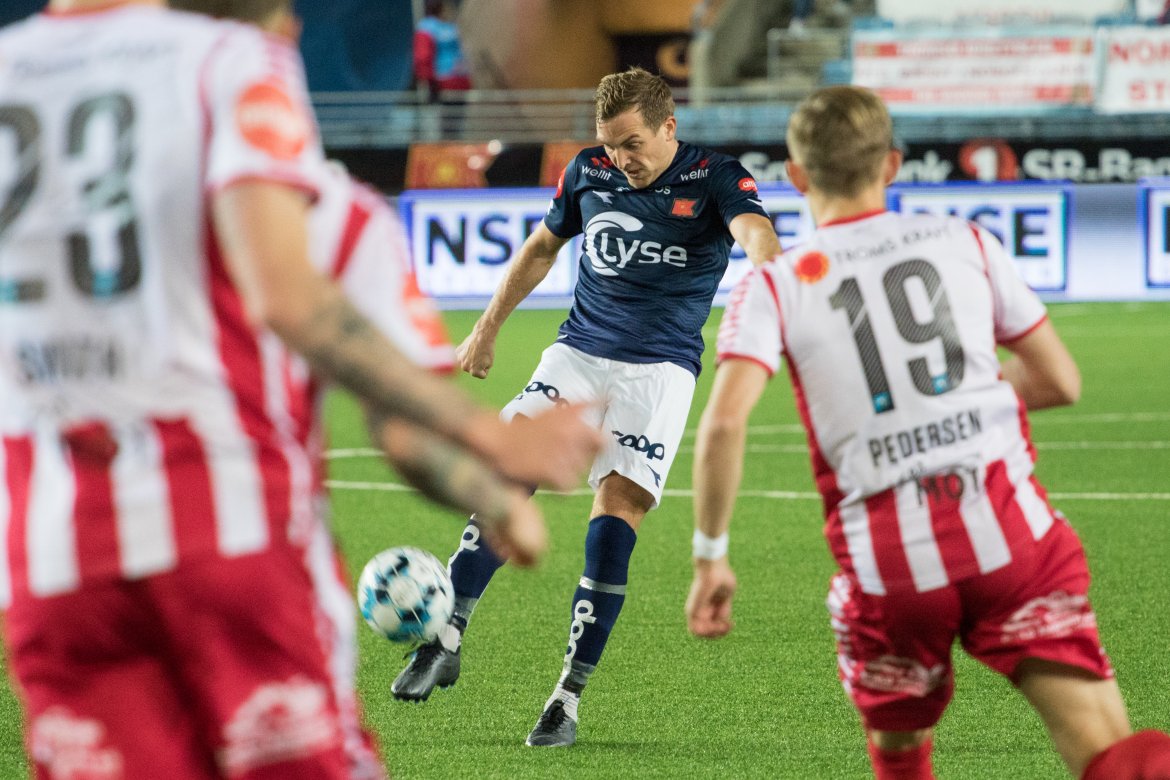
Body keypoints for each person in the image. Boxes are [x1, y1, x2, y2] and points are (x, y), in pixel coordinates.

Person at [0, 2, 600, 778]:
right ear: (285, 32)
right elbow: (323, 339)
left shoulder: (15, 68)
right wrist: (495, 468)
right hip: (227, 548)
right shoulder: (287, 142)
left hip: (53, 562)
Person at [685, 85, 1170, 779]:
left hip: (890, 569)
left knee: (901, 752)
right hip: (1013, 542)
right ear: (892, 165)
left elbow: (725, 422)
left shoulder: (777, 284)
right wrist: (970, 401)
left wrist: (710, 556)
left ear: (796, 175)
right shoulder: (964, 240)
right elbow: (1061, 382)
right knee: (1108, 751)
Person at [390, 65, 782, 747]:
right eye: (610, 144)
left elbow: (755, 235)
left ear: (669, 127)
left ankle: (566, 699)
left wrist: (776, 279)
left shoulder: (716, 176)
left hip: (658, 372)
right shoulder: (588, 171)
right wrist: (487, 327)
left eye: (633, 144)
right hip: (576, 354)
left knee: (612, 523)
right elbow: (543, 247)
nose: (621, 160)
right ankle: (445, 636)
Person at [413, 0, 470, 102]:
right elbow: (423, 57)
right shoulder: (446, 28)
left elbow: (423, 57)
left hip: (446, 81)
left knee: (449, 113)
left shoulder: (429, 28)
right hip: (453, 79)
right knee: (453, 113)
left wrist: (426, 79)